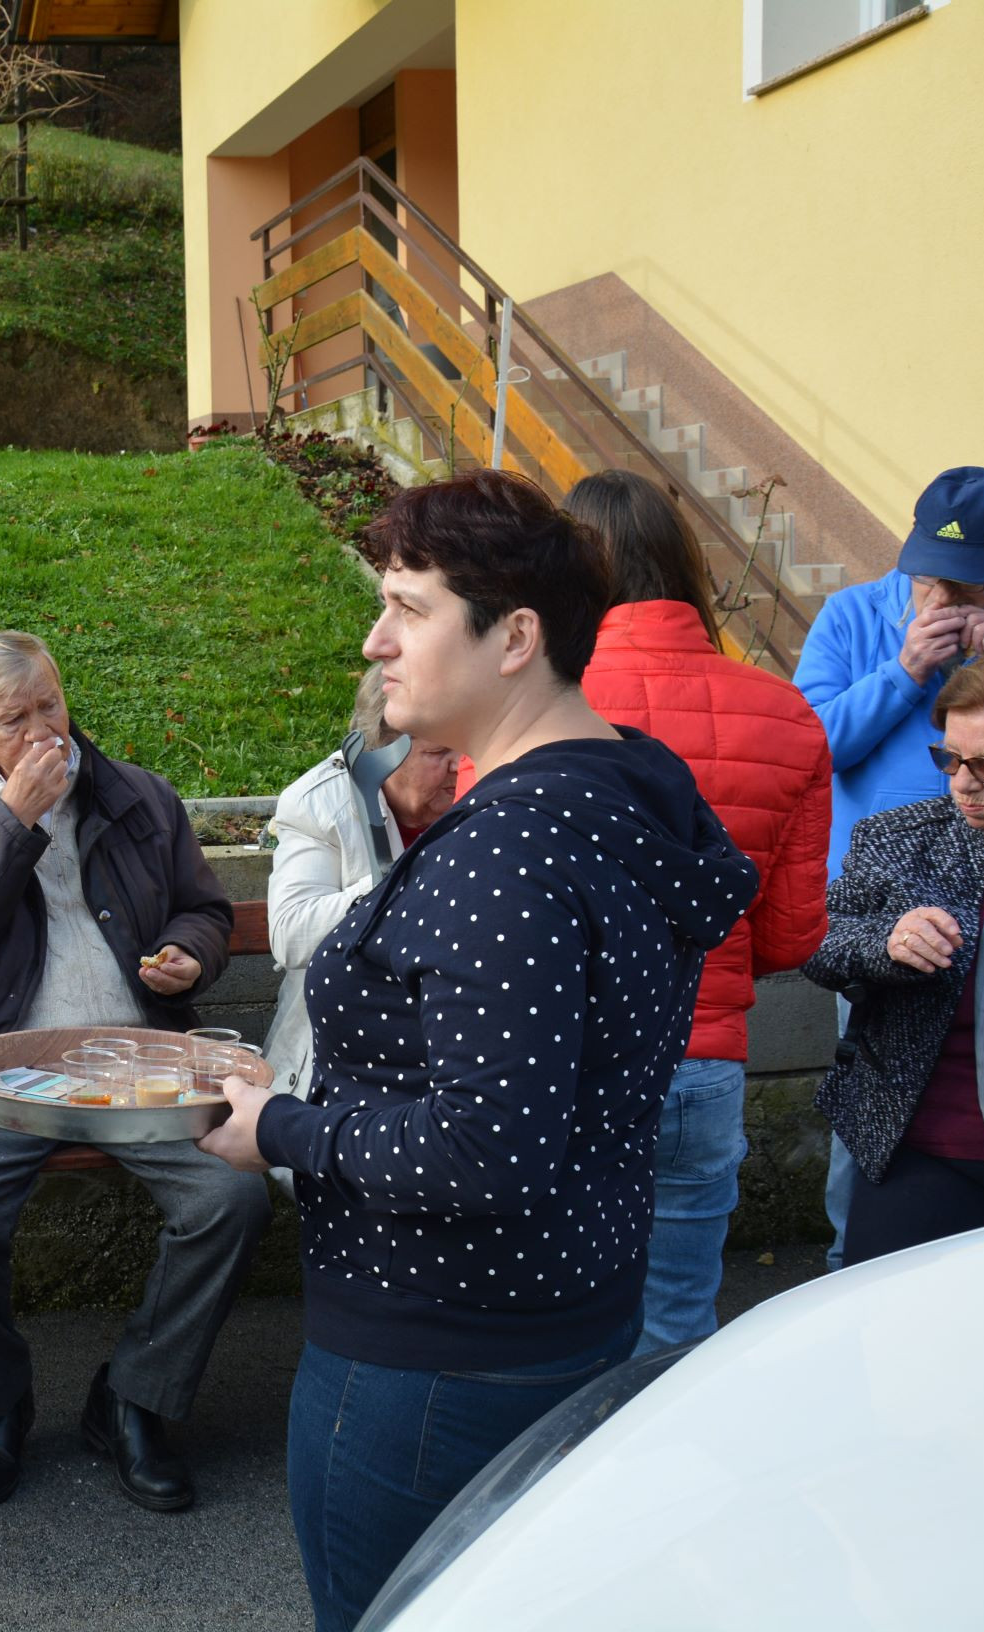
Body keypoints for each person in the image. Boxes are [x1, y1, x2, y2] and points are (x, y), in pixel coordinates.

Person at [199, 470, 757, 1632]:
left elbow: (484, 1147)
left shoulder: (507, 845)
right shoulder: (619, 791)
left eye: (406, 607)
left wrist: (281, 1127)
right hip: (562, 1318)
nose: (375, 638)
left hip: (431, 1362)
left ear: (514, 637)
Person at [0, 629, 270, 1515]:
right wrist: (11, 822)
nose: (42, 729)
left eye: (49, 704)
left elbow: (203, 909)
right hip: (2, 1072)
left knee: (231, 1199)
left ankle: (135, 1399)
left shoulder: (138, 798)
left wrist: (188, 956)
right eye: (14, 718)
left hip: (137, 1061)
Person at [794, 465, 984, 1267]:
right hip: (892, 893)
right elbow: (809, 747)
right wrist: (900, 675)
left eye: (964, 584)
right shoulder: (853, 616)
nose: (942, 598)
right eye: (926, 576)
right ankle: (844, 1271)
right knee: (880, 1101)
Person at [567, 469, 831, 1349]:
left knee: (550, 1326)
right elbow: (792, 933)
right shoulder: (785, 711)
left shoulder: (527, 705)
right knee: (675, 1326)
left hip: (559, 1055)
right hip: (703, 1054)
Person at [264, 664, 459, 1099]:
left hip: (451, 1054)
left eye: (465, 748)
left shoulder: (487, 797)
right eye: (437, 752)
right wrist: (396, 884)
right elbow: (291, 934)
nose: (458, 767)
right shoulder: (320, 804)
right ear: (382, 753)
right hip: (339, 1065)